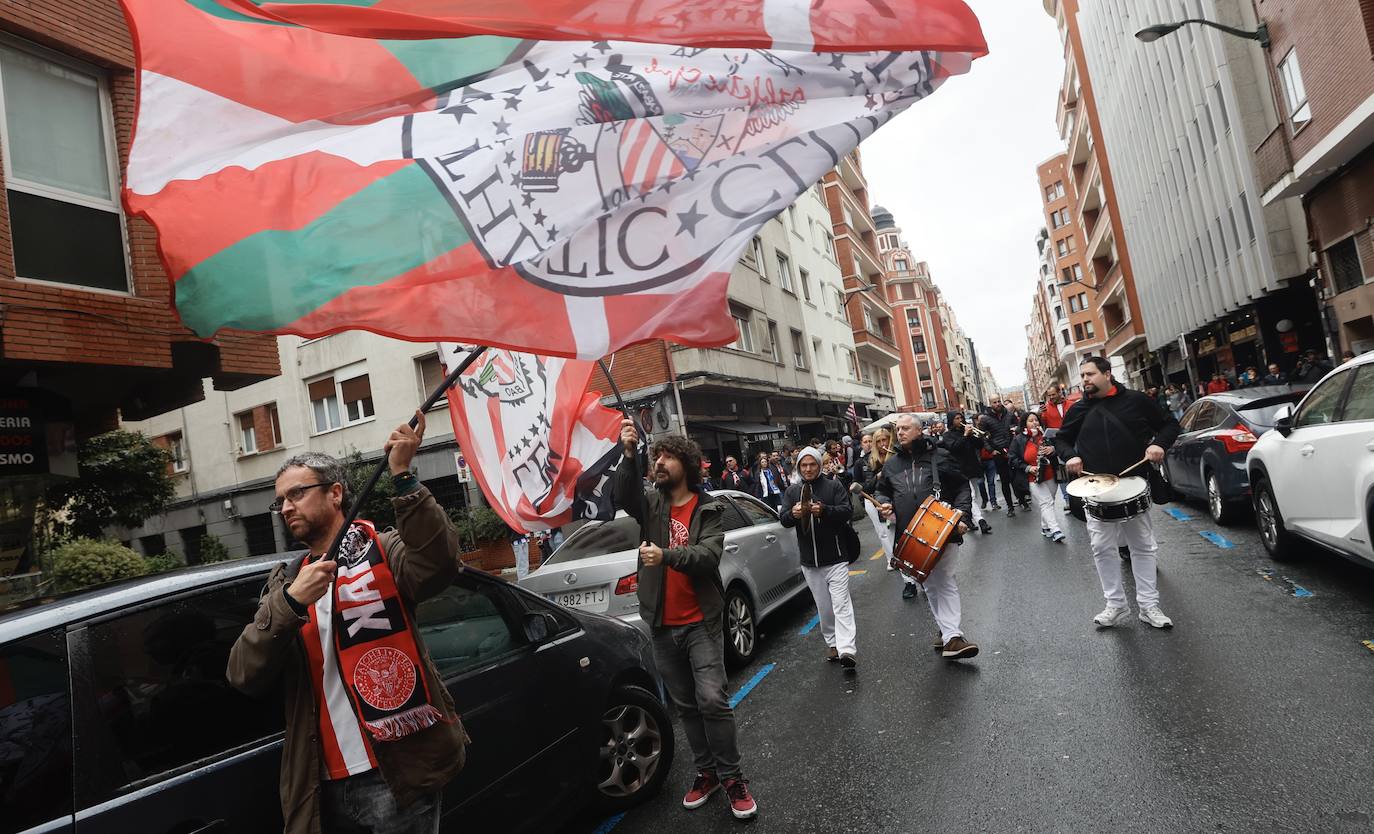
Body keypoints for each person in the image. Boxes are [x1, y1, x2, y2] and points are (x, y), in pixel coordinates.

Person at [227, 416, 468, 834]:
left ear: (336, 493)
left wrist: (403, 477)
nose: (285, 507)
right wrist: (289, 602)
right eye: (280, 500)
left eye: (297, 494)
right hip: (318, 785)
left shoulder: (385, 549)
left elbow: (437, 564)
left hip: (392, 774)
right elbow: (243, 673)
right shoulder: (287, 582)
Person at [614, 420, 758, 820]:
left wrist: (666, 556)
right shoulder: (651, 504)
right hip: (662, 624)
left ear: (687, 464)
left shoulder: (708, 508)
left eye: (667, 456)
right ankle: (706, 772)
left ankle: (733, 778)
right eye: (655, 456)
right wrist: (627, 454)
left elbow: (707, 557)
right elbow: (621, 493)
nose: (658, 462)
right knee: (685, 705)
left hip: (700, 622)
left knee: (712, 699)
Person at [1055, 357, 1182, 630]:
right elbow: (1061, 439)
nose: (1084, 379)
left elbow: (1170, 425)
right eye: (1082, 375)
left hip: (1134, 483)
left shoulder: (1137, 401)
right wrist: (1070, 456)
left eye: (1089, 374)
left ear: (1107, 374)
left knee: (1143, 547)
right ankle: (1115, 605)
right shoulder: (1078, 409)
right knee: (1102, 549)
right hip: (1097, 488)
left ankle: (1149, 606)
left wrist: (1159, 444)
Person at [875, 414, 980, 660]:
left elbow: (962, 486)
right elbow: (881, 491)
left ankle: (953, 637)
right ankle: (947, 631)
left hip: (942, 530)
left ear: (919, 430)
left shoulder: (940, 456)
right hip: (910, 534)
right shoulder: (891, 465)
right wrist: (884, 503)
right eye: (897, 429)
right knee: (929, 584)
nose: (899, 432)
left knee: (943, 579)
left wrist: (962, 517)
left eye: (905, 428)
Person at [780, 446, 859, 669]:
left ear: (819, 465)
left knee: (841, 604)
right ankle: (832, 642)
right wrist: (792, 515)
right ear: (798, 467)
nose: (808, 469)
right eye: (804, 465)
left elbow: (847, 511)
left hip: (835, 558)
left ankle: (847, 650)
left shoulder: (833, 486)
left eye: (812, 464)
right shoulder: (792, 492)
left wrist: (824, 510)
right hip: (809, 562)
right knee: (824, 607)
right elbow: (783, 519)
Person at [1011, 412, 1064, 543]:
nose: (1034, 422)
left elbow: (1060, 448)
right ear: (1025, 424)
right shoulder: (1018, 439)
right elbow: (1012, 458)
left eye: (1036, 420)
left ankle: (1045, 527)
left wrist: (1053, 449)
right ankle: (1055, 529)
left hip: (1051, 473)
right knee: (1046, 502)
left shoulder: (1046, 435)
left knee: (1049, 502)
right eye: (1031, 421)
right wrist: (1028, 468)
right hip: (1032, 477)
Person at [941, 411, 992, 535]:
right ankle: (981, 520)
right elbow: (953, 448)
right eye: (957, 418)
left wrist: (973, 436)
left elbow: (979, 445)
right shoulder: (948, 435)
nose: (960, 420)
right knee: (972, 495)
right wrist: (965, 435)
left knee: (972, 496)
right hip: (959, 469)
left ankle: (967, 519)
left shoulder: (967, 432)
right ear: (951, 421)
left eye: (961, 418)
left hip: (972, 467)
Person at [856, 427, 897, 572]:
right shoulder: (867, 461)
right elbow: (865, 487)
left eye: (884, 440)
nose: (881, 444)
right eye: (877, 441)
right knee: (884, 531)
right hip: (876, 500)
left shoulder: (896, 455)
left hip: (897, 497)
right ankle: (891, 559)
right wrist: (878, 476)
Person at [977, 403, 1017, 517]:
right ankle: (1010, 506)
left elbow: (1018, 427)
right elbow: (982, 436)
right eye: (994, 402)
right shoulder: (985, 419)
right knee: (1005, 481)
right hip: (999, 453)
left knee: (1016, 478)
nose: (997, 403)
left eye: (998, 401)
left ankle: (1022, 499)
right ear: (990, 404)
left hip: (1012, 450)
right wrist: (991, 450)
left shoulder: (1009, 415)